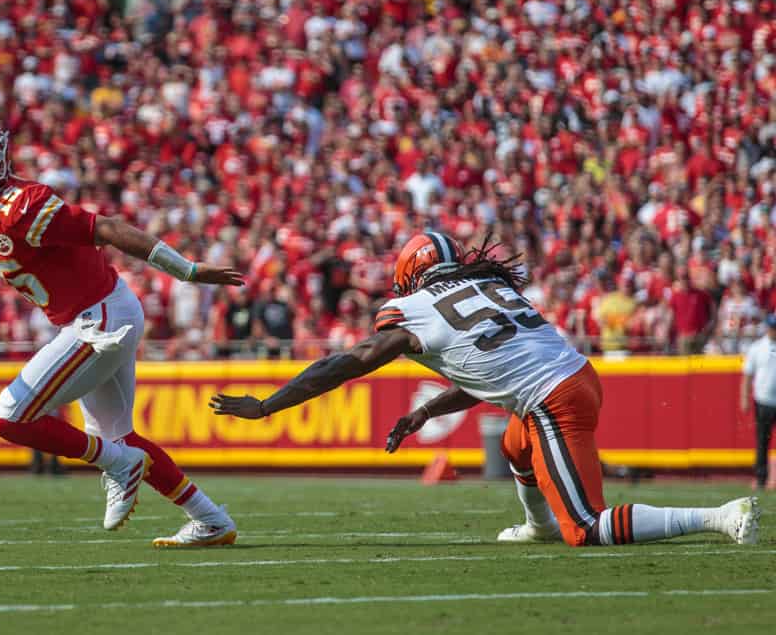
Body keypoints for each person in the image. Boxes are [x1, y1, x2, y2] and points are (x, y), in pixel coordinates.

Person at [211, 231, 762, 547]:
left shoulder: (412, 308)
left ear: (409, 273)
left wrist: (268, 405)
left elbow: (350, 363)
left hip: (552, 395)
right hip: (574, 376)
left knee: (587, 528)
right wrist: (429, 410)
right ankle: (536, 525)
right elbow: (496, 367)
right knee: (514, 444)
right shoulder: (488, 287)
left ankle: (718, 516)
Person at [0, 113, 241, 547]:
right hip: (94, 317)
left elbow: (108, 229)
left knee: (10, 416)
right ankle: (209, 519)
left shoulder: (26, 206)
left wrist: (185, 270)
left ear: (0, 156)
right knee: (118, 437)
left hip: (101, 318)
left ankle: (118, 463)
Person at [740, 314, 776, 491]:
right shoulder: (757, 348)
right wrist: (744, 397)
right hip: (763, 400)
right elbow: (748, 375)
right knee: (762, 441)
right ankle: (761, 478)